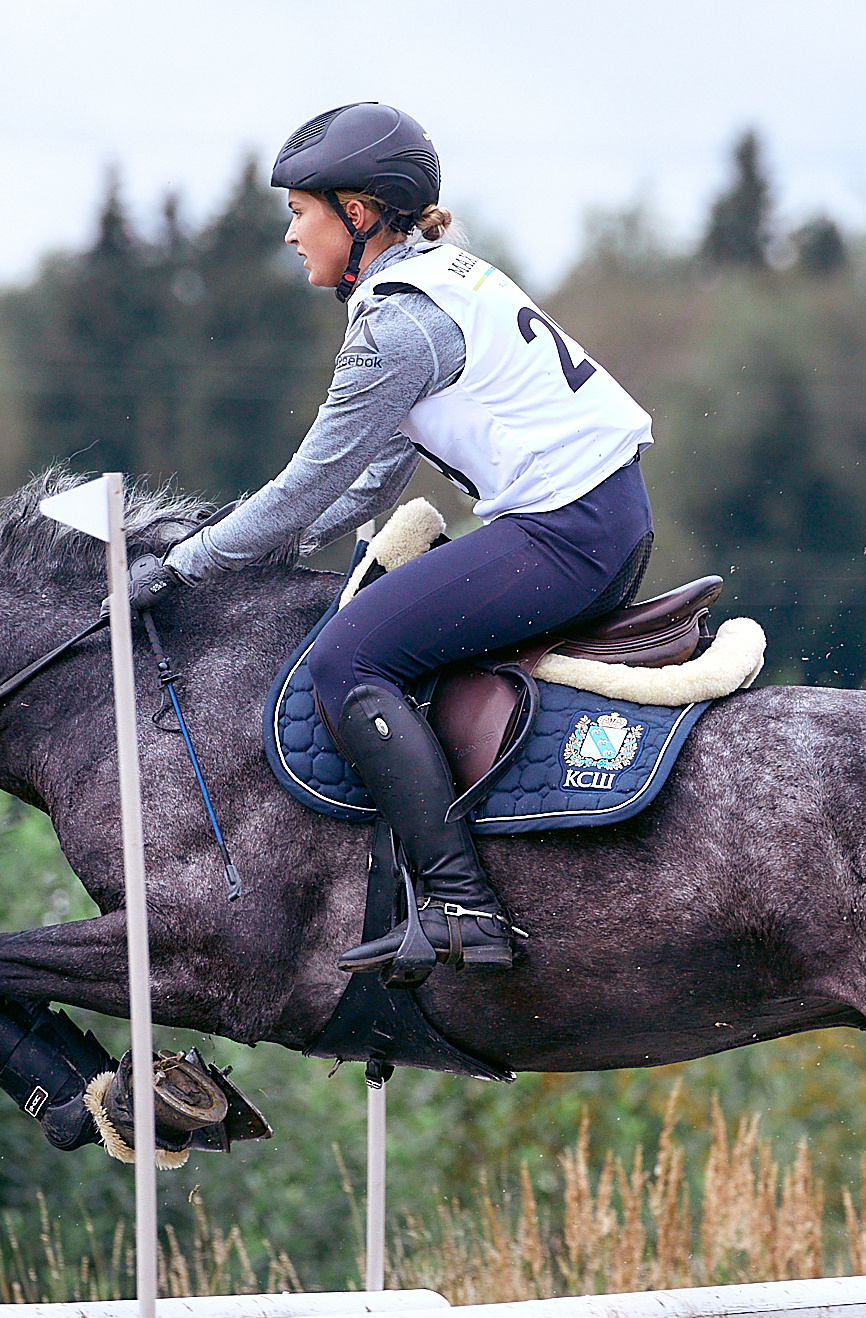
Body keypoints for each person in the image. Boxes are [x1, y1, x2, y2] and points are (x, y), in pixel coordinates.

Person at [129, 102, 656, 976]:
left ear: (360, 213)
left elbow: (308, 486)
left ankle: (464, 908)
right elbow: (370, 481)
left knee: (344, 666)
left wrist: (189, 564)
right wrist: (250, 553)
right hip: (598, 522)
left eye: (301, 212)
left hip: (570, 535)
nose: (292, 234)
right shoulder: (431, 282)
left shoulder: (396, 327)